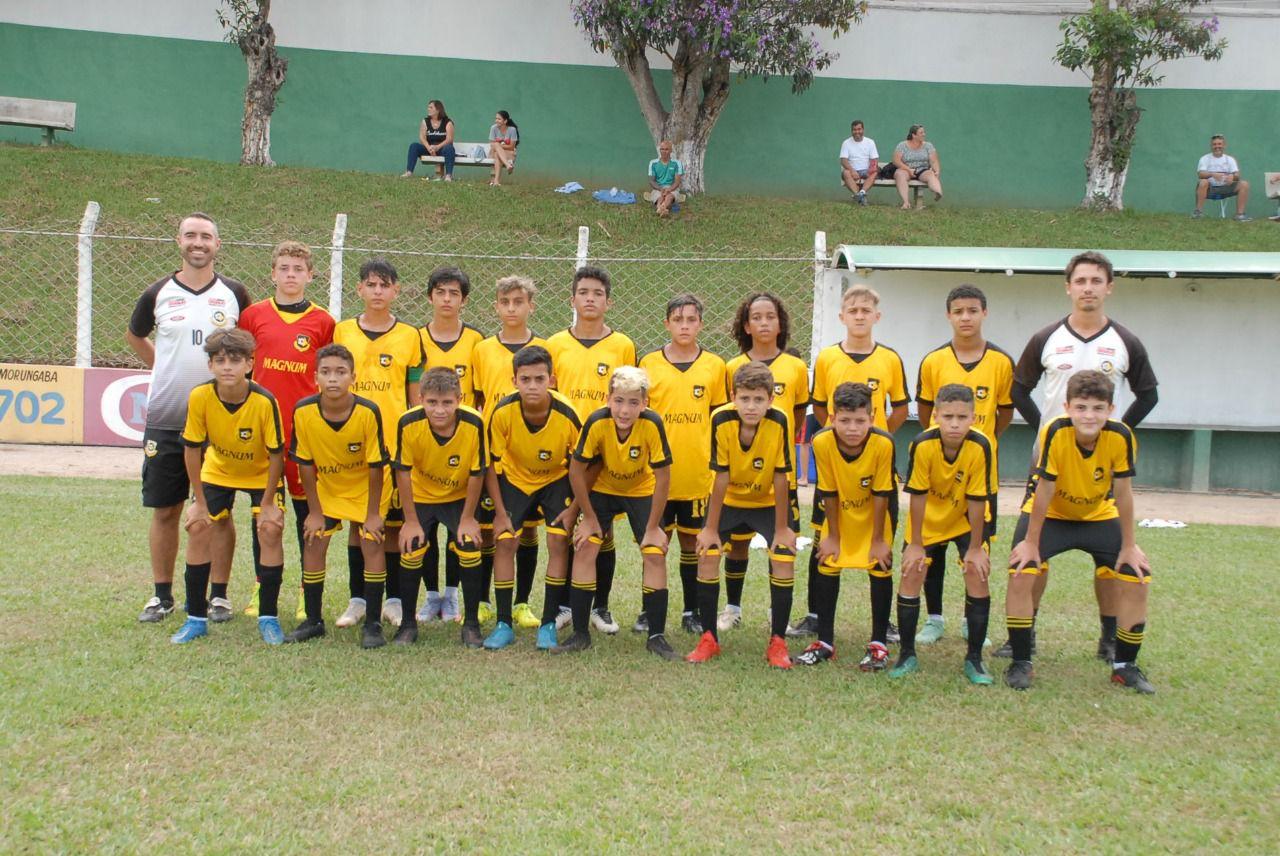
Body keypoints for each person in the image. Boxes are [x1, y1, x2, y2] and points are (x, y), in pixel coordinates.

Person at [1004, 250, 1158, 663]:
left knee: (1108, 559)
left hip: (1098, 467)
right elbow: (1019, 390)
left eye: (1096, 281)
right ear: (1068, 287)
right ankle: (1025, 635)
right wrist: (1046, 429)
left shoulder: (1125, 341)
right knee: (1031, 550)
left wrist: (1115, 433)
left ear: (1108, 287)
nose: (1088, 288)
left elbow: (1149, 395)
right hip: (1049, 465)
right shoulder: (1046, 338)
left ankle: (1110, 638)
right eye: (1081, 281)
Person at [126, 212, 250, 624]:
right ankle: (161, 596)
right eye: (191, 236)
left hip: (221, 422)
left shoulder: (234, 294)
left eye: (206, 237)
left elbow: (252, 346)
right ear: (179, 241)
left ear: (218, 244)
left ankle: (218, 595)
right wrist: (163, 367)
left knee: (218, 512)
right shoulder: (157, 292)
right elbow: (135, 334)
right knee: (165, 510)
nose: (199, 243)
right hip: (167, 418)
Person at [1005, 371, 1154, 694]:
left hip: (1098, 514)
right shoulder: (1055, 432)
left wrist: (1130, 545)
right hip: (1052, 514)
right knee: (1021, 569)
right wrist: (1031, 543)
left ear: (1111, 409)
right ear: (1067, 407)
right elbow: (1044, 490)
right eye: (1082, 407)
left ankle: (1123, 665)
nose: (1089, 415)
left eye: (1098, 408)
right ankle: (1021, 659)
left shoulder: (1121, 436)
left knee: (1136, 575)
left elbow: (1125, 493)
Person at [237, 240, 335, 622]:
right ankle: (263, 584)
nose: (290, 275)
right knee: (263, 516)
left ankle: (305, 591)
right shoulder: (253, 316)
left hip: (305, 436)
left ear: (310, 276)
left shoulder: (323, 322)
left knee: (307, 515)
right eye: (284, 268)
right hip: (264, 434)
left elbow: (329, 375)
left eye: (298, 269)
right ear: (272, 272)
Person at [804, 284, 908, 639]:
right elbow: (819, 406)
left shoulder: (890, 358)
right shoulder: (828, 358)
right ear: (842, 317)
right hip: (836, 458)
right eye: (854, 311)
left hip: (876, 461)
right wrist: (836, 432)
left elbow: (902, 407)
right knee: (823, 539)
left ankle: (884, 624)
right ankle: (816, 615)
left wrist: (879, 434)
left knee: (881, 542)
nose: (860, 316)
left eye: (866, 310)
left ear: (876, 316)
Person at [172, 329, 286, 645]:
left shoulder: (265, 401)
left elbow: (277, 455)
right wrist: (197, 499)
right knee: (198, 526)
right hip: (218, 471)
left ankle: (268, 617)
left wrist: (266, 504)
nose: (227, 367)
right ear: (210, 365)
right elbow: (192, 448)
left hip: (261, 475)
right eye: (220, 360)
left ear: (250, 364)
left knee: (270, 530)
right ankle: (196, 618)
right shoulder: (200, 396)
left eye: (235, 360)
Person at [913, 285, 1013, 644]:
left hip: (979, 476)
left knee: (975, 549)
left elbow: (1004, 414)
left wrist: (979, 444)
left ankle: (973, 621)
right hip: (939, 473)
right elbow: (926, 413)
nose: (966, 317)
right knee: (932, 550)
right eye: (959, 311)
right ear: (949, 316)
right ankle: (934, 619)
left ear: (985, 313)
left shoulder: (1001, 362)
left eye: (973, 310)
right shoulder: (933, 361)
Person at [332, 258, 426, 632]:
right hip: (355, 441)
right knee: (360, 521)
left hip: (395, 443)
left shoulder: (409, 335)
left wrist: (413, 434)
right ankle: (358, 599)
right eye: (370, 285)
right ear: (359, 290)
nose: (377, 291)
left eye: (384, 285)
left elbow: (414, 393)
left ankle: (394, 600)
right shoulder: (342, 331)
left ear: (396, 291)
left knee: (392, 524)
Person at [686, 361, 798, 669]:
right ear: (733, 396)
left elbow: (780, 475)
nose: (751, 406)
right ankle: (709, 638)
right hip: (729, 499)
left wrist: (781, 530)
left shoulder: (780, 420)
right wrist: (710, 529)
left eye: (758, 399)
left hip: (767, 500)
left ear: (770, 399)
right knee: (708, 553)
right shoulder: (720, 419)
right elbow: (720, 476)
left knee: (784, 555)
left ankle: (777, 643)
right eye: (745, 398)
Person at [545, 266, 637, 635]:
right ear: (572, 300)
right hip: (565, 454)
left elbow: (628, 399)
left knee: (602, 531)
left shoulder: (622, 345)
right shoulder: (555, 344)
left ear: (608, 301)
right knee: (566, 529)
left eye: (597, 293)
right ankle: (567, 604)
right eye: (583, 292)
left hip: (605, 454)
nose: (590, 299)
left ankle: (601, 606)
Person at [562, 366, 677, 658]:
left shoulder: (652, 423)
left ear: (645, 403)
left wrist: (653, 527)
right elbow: (577, 472)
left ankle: (657, 636)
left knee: (654, 552)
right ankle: (580, 633)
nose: (625, 410)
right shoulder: (597, 421)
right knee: (586, 546)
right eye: (619, 401)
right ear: (608, 398)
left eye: (633, 403)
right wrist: (588, 518)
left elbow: (663, 478)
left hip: (640, 490)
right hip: (603, 488)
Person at [635, 294, 728, 636]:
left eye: (691, 320)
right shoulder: (649, 363)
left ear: (701, 324)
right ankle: (649, 610)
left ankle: (693, 610)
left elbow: (720, 421)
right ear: (667, 324)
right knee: (654, 544)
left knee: (693, 544)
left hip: (697, 475)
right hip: (656, 476)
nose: (685, 325)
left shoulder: (715, 366)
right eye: (678, 319)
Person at [286, 344, 390, 647]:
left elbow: (375, 466)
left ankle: (372, 624)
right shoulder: (304, 410)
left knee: (372, 542)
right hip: (329, 488)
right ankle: (314, 620)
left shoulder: (368, 411)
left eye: (341, 372)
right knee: (315, 539)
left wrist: (372, 515)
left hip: (366, 489)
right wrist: (314, 512)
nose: (333, 379)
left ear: (353, 377)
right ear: (315, 376)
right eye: (326, 372)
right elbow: (305, 464)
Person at [893, 384, 995, 683]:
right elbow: (918, 496)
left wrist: (976, 548)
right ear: (934, 415)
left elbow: (978, 499)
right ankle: (907, 654)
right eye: (947, 416)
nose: (954, 423)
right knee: (913, 570)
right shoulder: (923, 444)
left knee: (977, 571)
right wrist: (915, 544)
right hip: (929, 520)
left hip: (966, 520)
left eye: (962, 417)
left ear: (973, 418)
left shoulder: (981, 446)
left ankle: (974, 659)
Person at [484, 346, 581, 651]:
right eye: (525, 379)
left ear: (552, 379)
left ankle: (549, 622)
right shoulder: (502, 412)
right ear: (514, 380)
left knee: (557, 541)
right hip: (516, 478)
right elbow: (490, 464)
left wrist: (575, 509)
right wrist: (500, 513)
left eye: (540, 379)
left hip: (556, 478)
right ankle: (503, 623)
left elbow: (583, 467)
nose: (533, 386)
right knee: (506, 540)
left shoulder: (568, 415)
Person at [722, 294, 808, 633]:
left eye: (770, 316)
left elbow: (798, 417)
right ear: (746, 325)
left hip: (777, 475)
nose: (764, 323)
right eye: (756, 317)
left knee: (780, 543)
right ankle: (732, 608)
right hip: (739, 474)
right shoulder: (731, 366)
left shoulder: (796, 367)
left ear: (780, 322)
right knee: (737, 543)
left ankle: (778, 613)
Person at [800, 382, 896, 670]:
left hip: (876, 513)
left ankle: (879, 643)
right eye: (844, 420)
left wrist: (878, 539)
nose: (852, 428)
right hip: (838, 511)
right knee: (828, 560)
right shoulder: (821, 441)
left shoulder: (883, 443)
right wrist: (834, 535)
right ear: (832, 419)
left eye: (860, 421)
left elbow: (882, 494)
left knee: (879, 564)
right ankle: (825, 642)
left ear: (873, 416)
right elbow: (828, 490)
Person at [471, 275, 548, 631]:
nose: (512, 308)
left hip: (530, 460)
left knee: (529, 532)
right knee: (491, 530)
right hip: (493, 460)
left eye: (519, 301)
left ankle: (521, 603)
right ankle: (485, 601)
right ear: (496, 307)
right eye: (506, 302)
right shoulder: (482, 349)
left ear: (531, 306)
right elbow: (477, 400)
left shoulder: (545, 349)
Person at [393, 368, 485, 646]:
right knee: (412, 546)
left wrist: (468, 517)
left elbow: (477, 472)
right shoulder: (408, 423)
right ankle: (407, 625)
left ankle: (470, 624)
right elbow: (403, 472)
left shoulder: (474, 423)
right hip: (421, 495)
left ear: (460, 398)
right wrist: (410, 521)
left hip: (458, 497)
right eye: (432, 402)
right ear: (420, 399)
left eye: (447, 402)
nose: (440, 410)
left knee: (469, 543)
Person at [415, 266, 485, 623]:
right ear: (430, 297)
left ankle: (453, 596)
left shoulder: (476, 341)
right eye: (440, 292)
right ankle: (431, 596)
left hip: (463, 446)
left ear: (464, 300)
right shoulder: (416, 338)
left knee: (458, 527)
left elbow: (482, 395)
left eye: (453, 293)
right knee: (424, 528)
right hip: (425, 445)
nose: (446, 299)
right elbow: (412, 390)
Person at [883, 124, 942, 209]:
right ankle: (906, 203)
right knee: (899, 175)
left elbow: (934, 160)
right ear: (914, 135)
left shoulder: (928, 146)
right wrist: (908, 169)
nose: (924, 134)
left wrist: (937, 170)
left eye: (924, 132)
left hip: (922, 170)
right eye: (921, 133)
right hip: (906, 169)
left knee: (930, 174)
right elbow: (896, 160)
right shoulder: (902, 145)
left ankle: (937, 192)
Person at [1193, 134, 1251, 220]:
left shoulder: (1230, 159)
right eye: (1214, 144)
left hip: (1226, 188)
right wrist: (1212, 174)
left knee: (1244, 184)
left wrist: (1232, 177)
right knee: (1203, 182)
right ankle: (1198, 213)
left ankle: (1240, 215)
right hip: (1210, 189)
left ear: (1224, 145)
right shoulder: (1205, 158)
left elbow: (1237, 175)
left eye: (1219, 144)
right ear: (1211, 146)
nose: (1217, 146)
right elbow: (1200, 174)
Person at [402, 100, 456, 180]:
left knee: (450, 148)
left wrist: (437, 147)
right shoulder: (425, 121)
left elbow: (449, 139)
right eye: (428, 107)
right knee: (414, 146)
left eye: (431, 107)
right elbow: (422, 137)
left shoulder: (447, 122)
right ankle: (409, 172)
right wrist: (429, 148)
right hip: (429, 148)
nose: (428, 109)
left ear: (438, 110)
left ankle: (448, 176)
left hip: (442, 148)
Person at [839, 119, 879, 205]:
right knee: (846, 172)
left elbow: (874, 160)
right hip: (852, 171)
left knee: (875, 172)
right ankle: (859, 196)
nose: (857, 132)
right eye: (854, 130)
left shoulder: (870, 142)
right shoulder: (846, 143)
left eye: (859, 129)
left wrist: (872, 169)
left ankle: (861, 193)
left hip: (866, 170)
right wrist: (852, 171)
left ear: (863, 130)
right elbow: (843, 160)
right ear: (851, 131)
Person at [644, 140, 685, 217]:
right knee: (660, 197)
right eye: (662, 149)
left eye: (666, 149)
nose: (664, 151)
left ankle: (662, 208)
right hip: (658, 187)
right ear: (660, 150)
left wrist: (669, 189)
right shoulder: (653, 163)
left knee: (669, 197)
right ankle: (661, 208)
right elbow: (651, 181)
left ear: (671, 150)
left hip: (672, 188)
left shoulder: (677, 163)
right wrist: (661, 189)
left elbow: (677, 182)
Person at [488, 110, 519, 186]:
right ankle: (508, 165)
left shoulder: (512, 130)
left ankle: (496, 181)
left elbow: (512, 147)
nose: (496, 121)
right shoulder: (493, 128)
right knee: (496, 148)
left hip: (509, 153)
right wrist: (497, 146)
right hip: (494, 152)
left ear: (505, 121)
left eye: (499, 119)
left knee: (497, 152)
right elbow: (492, 145)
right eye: (496, 118)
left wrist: (498, 146)